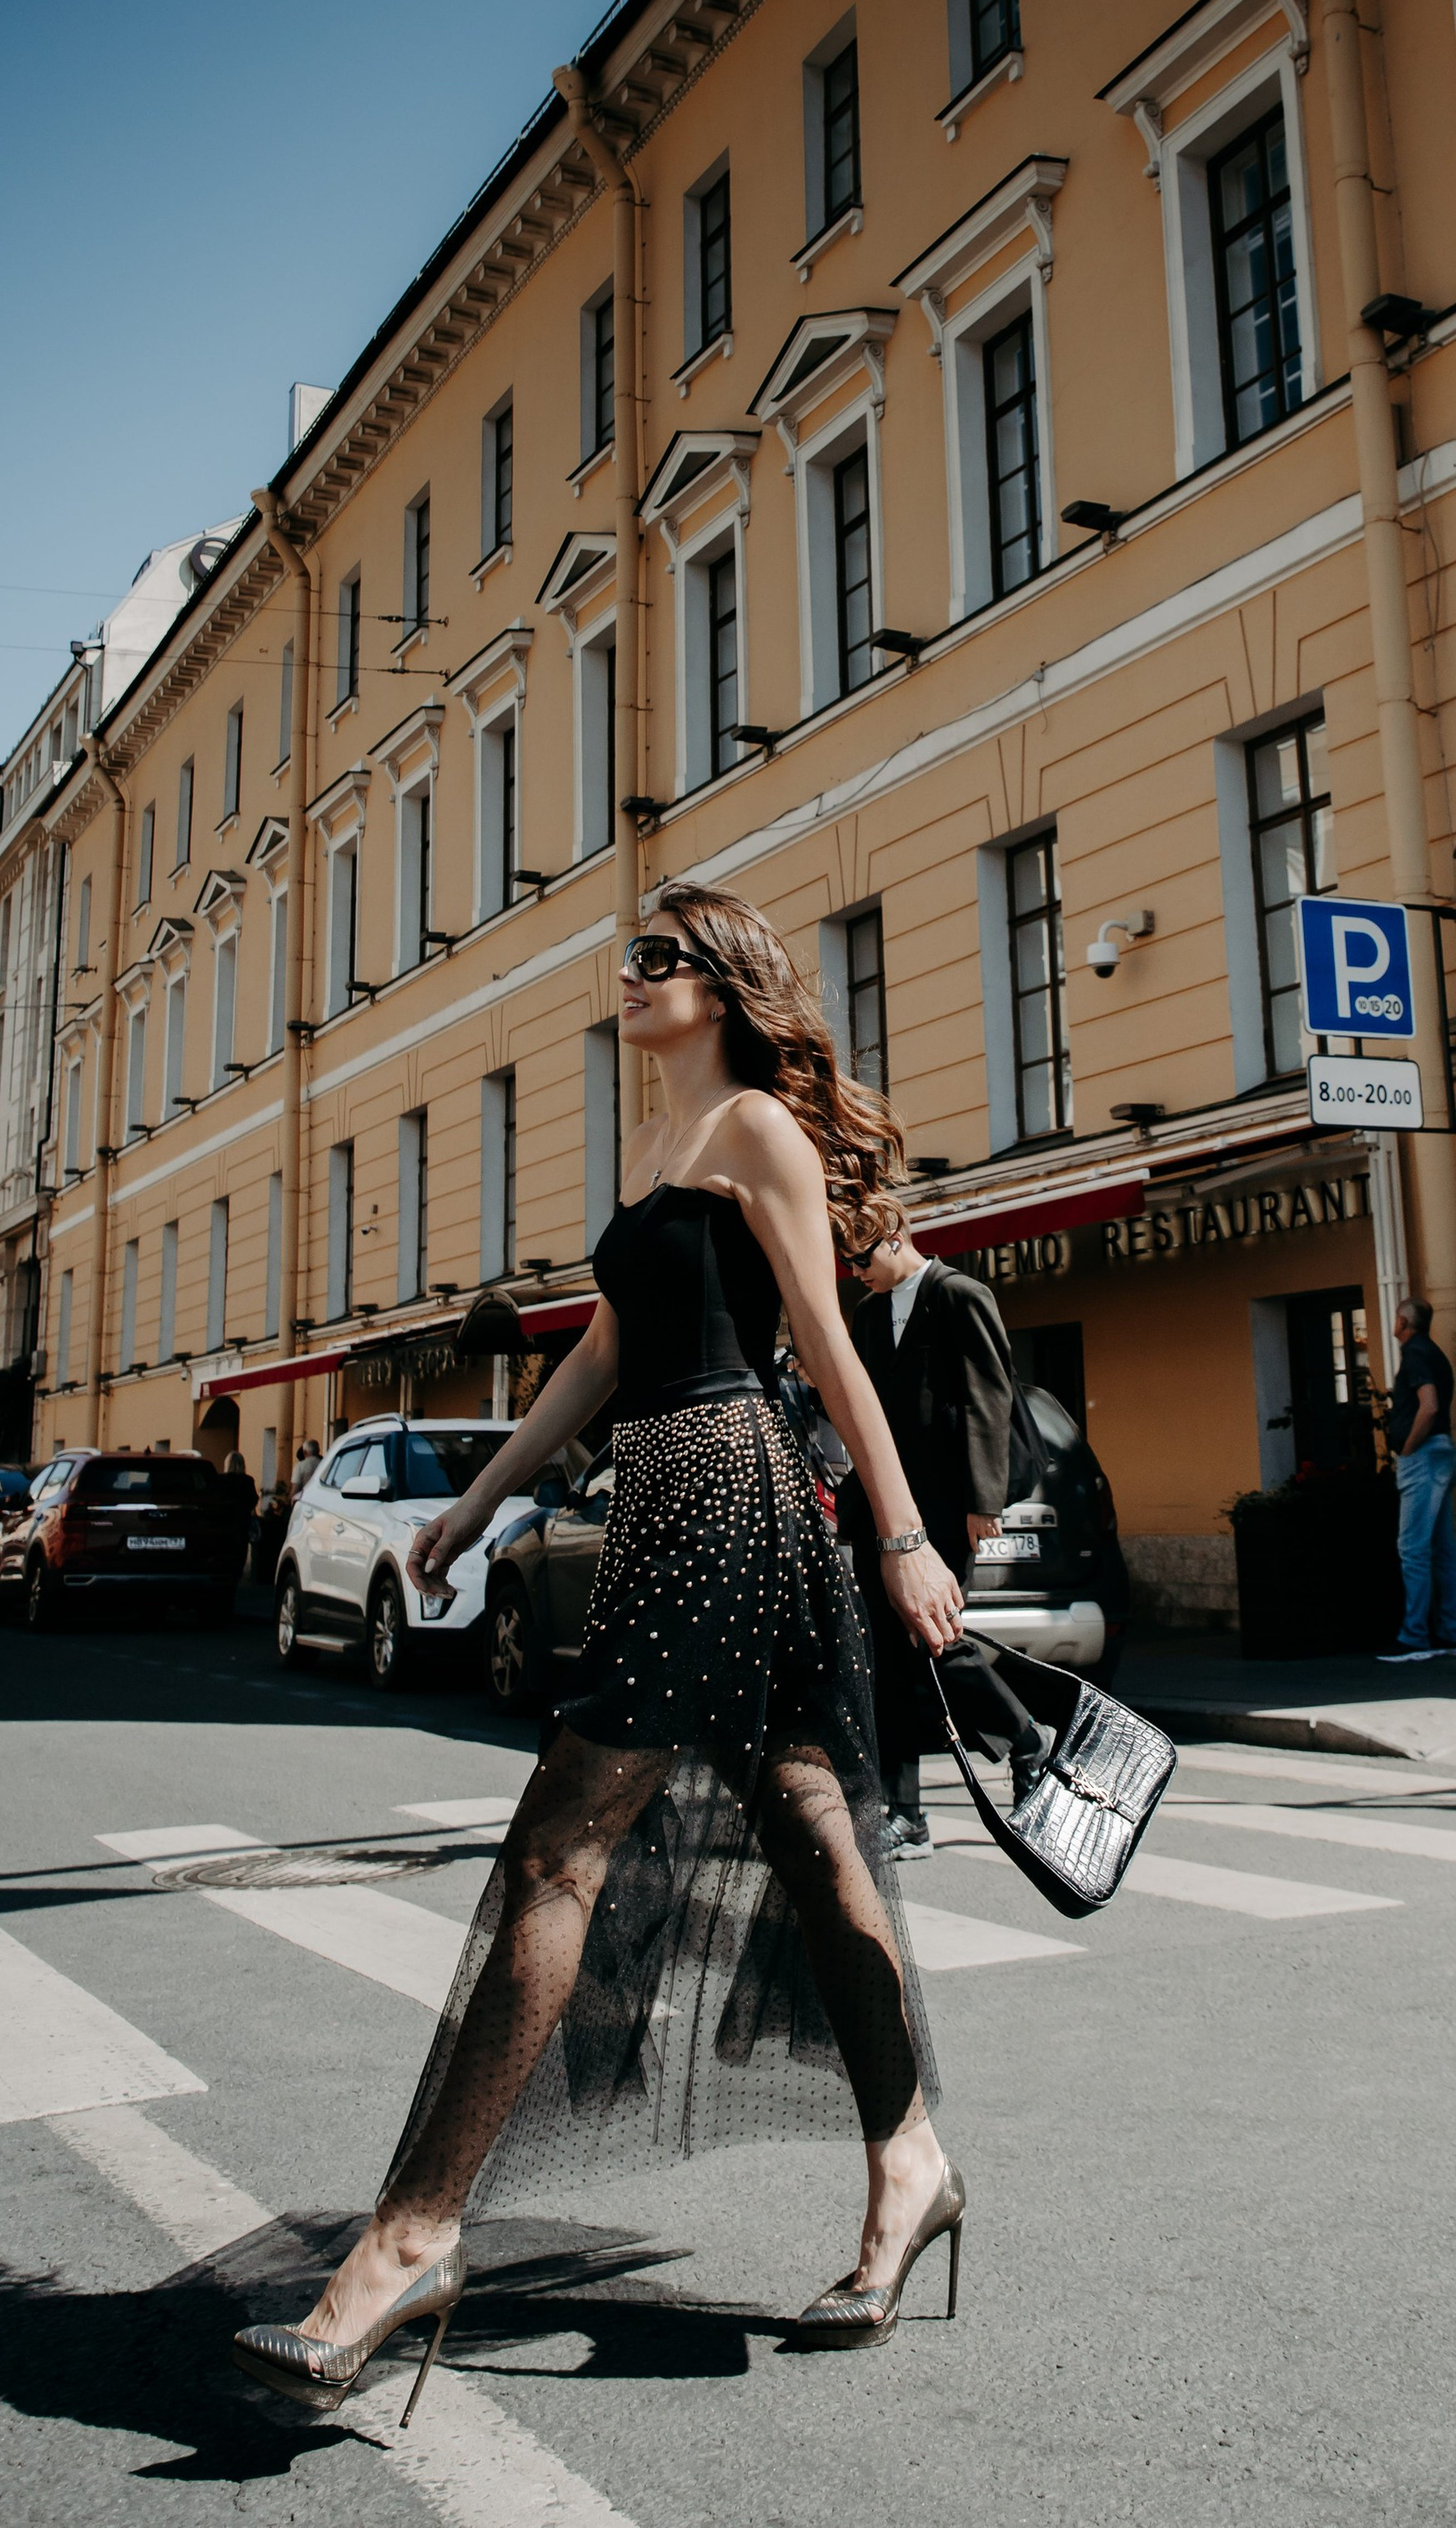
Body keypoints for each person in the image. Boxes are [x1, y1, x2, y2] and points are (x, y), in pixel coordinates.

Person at [229, 885, 972, 2418]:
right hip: (673, 1502)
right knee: (819, 1846)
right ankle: (914, 2163)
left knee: (559, 1852)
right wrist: (481, 1504)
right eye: (625, 957)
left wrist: (902, 1539)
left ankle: (412, 2235)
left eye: (657, 959)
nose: (625, 978)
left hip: (729, 1497)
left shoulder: (759, 1127)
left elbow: (826, 1354)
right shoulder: (656, 1147)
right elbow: (608, 1350)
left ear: (725, 988)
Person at [847, 1222, 1050, 1855]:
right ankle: (903, 1812)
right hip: (882, 1504)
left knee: (931, 1637)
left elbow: (990, 1396)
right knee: (887, 1653)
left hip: (942, 1501)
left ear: (896, 1235)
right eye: (847, 1262)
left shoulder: (959, 1294)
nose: (855, 1272)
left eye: (861, 1257)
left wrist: (983, 1499)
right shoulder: (868, 1312)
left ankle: (1027, 1741)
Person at [1379, 1295, 1456, 1665]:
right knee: (1443, 1548)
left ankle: (1415, 1637)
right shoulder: (1434, 1352)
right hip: (1442, 1451)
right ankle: (1453, 1635)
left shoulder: (1415, 1354)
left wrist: (1410, 1449)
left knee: (1412, 1548)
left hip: (1425, 1455)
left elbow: (1429, 1406)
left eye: (1396, 1319)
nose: (1394, 1325)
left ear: (1403, 1321)